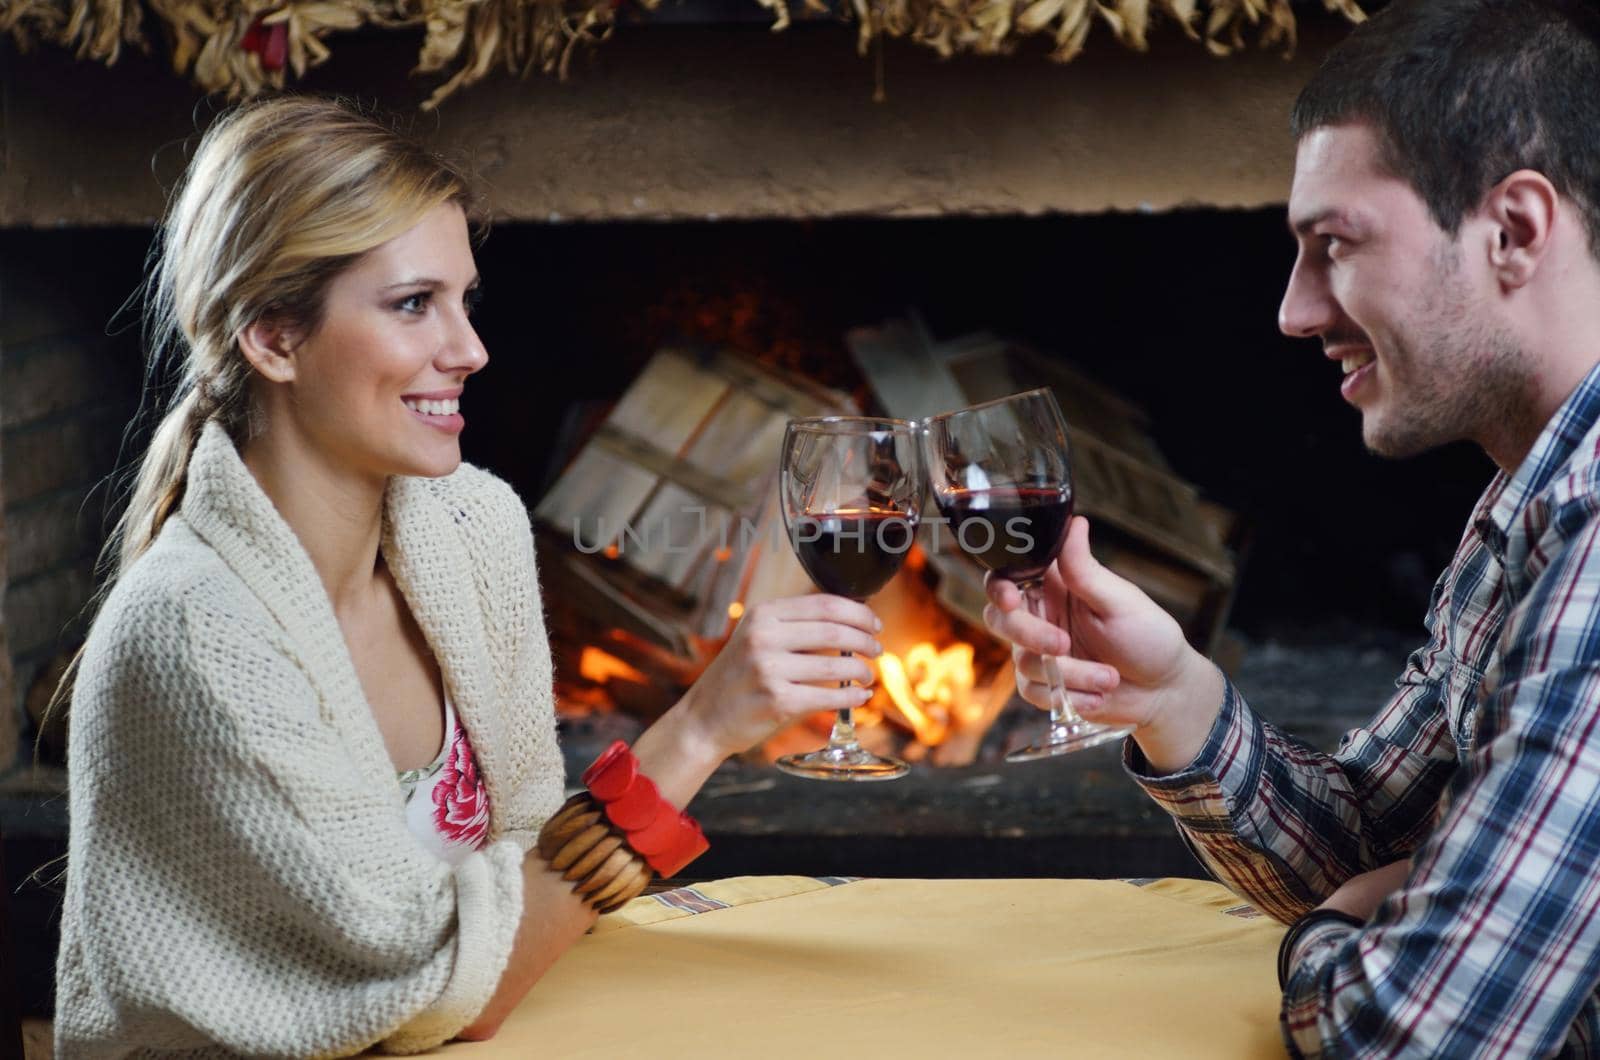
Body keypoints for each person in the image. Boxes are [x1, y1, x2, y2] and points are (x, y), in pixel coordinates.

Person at [53, 96, 885, 1056]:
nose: (471, 350)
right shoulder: (200, 634)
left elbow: (522, 877)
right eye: (414, 304)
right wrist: (697, 731)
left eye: (464, 300)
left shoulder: (471, 526)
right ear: (274, 339)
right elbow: (430, 996)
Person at [984, 0, 1600, 1055]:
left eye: (1334, 246)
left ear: (1513, 230)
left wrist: (1328, 933)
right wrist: (1171, 692)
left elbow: (1406, 1035)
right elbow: (1370, 836)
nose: (1294, 311)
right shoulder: (1528, 503)